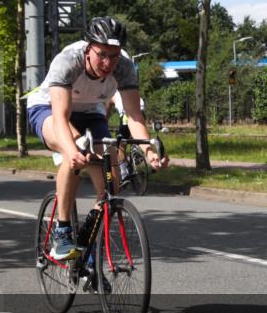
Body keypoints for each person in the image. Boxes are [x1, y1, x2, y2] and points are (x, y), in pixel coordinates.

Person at [27, 17, 169, 260]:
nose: (108, 63)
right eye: (102, 54)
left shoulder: (124, 67)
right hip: (49, 110)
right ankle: (62, 233)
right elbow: (61, 117)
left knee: (111, 186)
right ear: (88, 47)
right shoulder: (68, 61)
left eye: (114, 55)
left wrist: (149, 152)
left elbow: (134, 115)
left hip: (91, 112)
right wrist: (70, 151)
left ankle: (88, 240)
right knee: (76, 148)